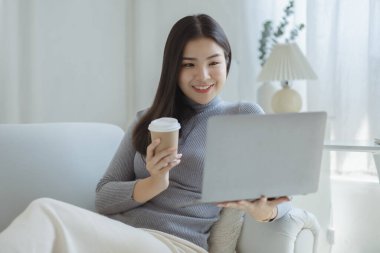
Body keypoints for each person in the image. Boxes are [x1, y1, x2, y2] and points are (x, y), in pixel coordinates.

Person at [0, 14, 290, 253]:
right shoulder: (147, 120)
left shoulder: (243, 115)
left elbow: (282, 201)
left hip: (176, 245)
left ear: (226, 61)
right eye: (189, 64)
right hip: (119, 234)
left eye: (213, 62)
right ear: (173, 69)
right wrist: (155, 182)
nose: (203, 75)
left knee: (46, 211)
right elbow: (104, 196)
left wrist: (263, 212)